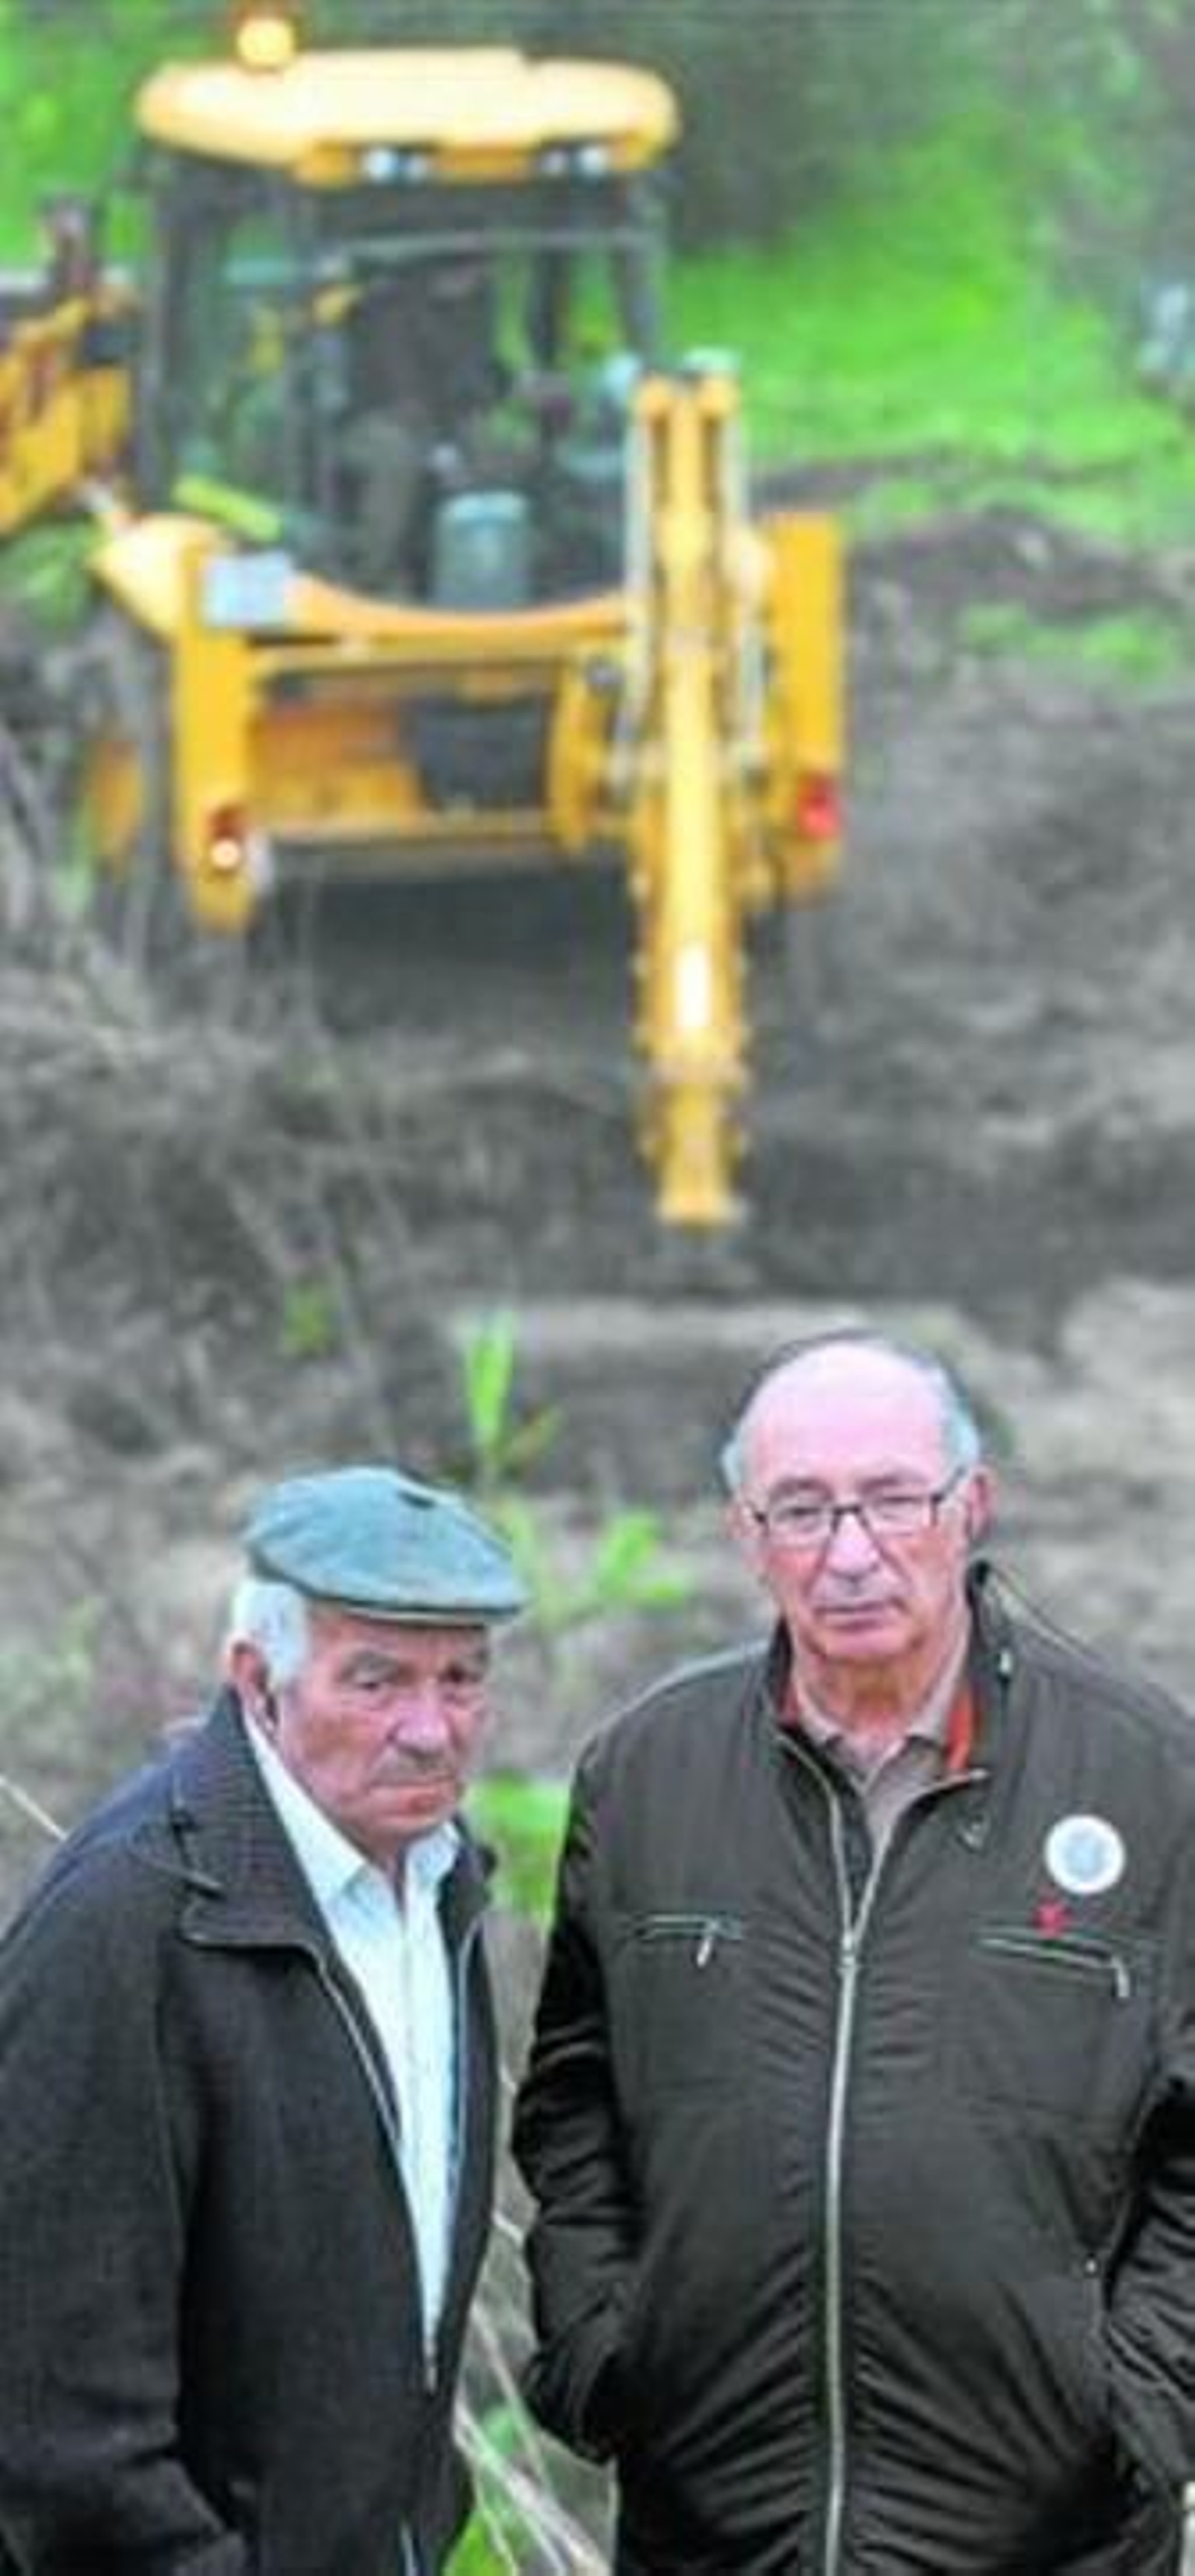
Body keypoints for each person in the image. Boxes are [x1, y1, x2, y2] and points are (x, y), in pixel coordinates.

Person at [513, 1326, 1195, 2574]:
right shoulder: (646, 1774)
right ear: (745, 1534)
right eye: (802, 1510)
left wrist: (1139, 2402)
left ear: (970, 1508)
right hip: (714, 2528)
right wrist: (606, 2342)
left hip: (1055, 2543)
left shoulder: (1152, 1778)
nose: (850, 1553)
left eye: (892, 1501)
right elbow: (574, 2102)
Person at [0, 1461, 527, 2575]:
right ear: (256, 1679)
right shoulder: (127, 1928)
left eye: (462, 1680)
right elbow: (57, 2432)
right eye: (377, 1682)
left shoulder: (440, 1890)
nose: (432, 1732)